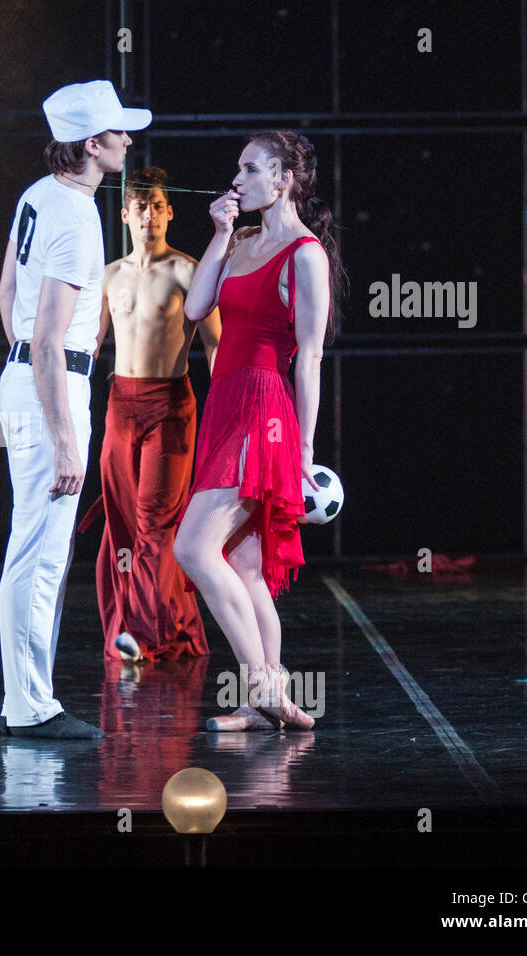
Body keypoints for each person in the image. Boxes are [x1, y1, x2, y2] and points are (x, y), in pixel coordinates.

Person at [173, 131, 346, 731]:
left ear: (283, 179)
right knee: (244, 567)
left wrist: (303, 449)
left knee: (193, 547)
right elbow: (196, 309)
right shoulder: (240, 240)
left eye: (250, 169)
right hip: (225, 400)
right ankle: (261, 700)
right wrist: (219, 233)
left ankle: (265, 687)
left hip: (263, 407)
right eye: (238, 169)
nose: (237, 179)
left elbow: (312, 356)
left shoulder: (305, 254)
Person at [0, 80, 150, 739]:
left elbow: (6, 295)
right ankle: (29, 708)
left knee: (36, 547)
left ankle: (30, 700)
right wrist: (62, 437)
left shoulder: (39, 196)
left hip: (31, 380)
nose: (128, 140)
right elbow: (51, 335)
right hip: (51, 387)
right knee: (38, 551)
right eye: (118, 133)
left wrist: (28, 365)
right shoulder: (77, 220)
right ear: (92, 144)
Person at [85, 167, 219, 664]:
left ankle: (138, 635)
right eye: (139, 206)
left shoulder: (188, 270)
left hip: (170, 406)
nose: (148, 214)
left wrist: (233, 416)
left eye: (156, 205)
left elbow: (216, 347)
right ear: (125, 215)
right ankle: (167, 625)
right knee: (123, 524)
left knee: (155, 521)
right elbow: (91, 347)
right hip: (120, 405)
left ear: (168, 211)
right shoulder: (110, 275)